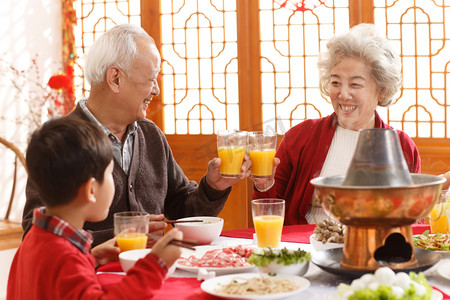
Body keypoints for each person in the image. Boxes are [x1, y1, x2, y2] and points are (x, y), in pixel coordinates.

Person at [21, 24, 251, 247]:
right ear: (115, 79)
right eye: (151, 79)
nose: (156, 90)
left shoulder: (151, 135)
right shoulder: (61, 141)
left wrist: (213, 187)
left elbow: (182, 212)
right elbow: (36, 233)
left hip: (149, 278)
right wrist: (122, 235)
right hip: (91, 280)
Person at [251, 24, 421, 225]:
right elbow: (269, 211)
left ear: (381, 91)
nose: (343, 94)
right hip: (306, 249)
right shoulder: (300, 137)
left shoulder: (401, 146)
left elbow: (413, 219)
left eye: (355, 84)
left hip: (374, 250)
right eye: (335, 83)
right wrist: (264, 185)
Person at [8, 117, 183, 299]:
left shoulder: (35, 240)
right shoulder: (66, 258)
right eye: (109, 174)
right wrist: (156, 264)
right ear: (91, 190)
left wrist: (90, 258)